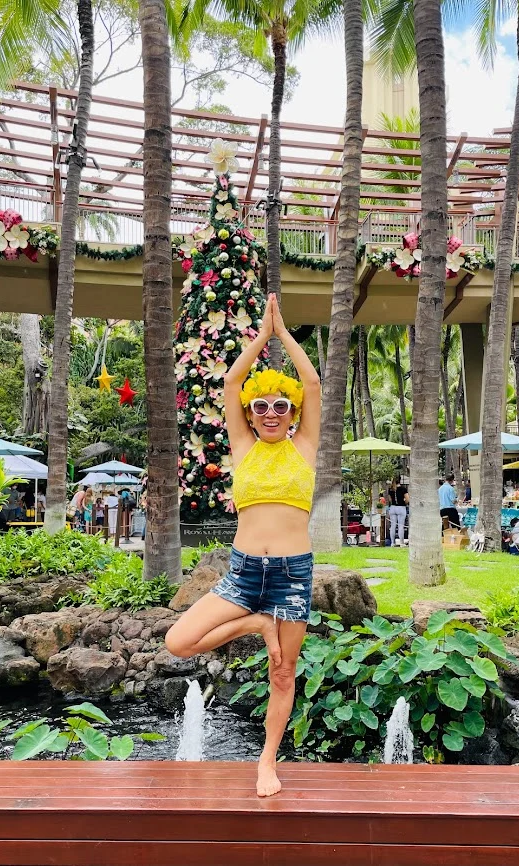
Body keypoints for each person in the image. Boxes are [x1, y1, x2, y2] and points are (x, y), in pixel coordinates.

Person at [165, 294, 320, 798]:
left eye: (280, 406)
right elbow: (232, 382)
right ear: (250, 414)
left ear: (292, 412)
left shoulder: (305, 446)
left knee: (283, 673)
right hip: (244, 573)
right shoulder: (243, 447)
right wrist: (261, 337)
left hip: (292, 575)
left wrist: (284, 335)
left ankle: (266, 761)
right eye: (261, 406)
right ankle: (257, 624)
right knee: (178, 641)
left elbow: (313, 384)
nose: (271, 413)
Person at [388, 475, 408, 546]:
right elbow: (407, 499)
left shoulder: (390, 489)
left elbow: (390, 500)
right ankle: (401, 542)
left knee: (393, 526)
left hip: (393, 507)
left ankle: (392, 542)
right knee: (400, 526)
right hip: (401, 507)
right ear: (400, 480)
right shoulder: (403, 489)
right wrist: (405, 503)